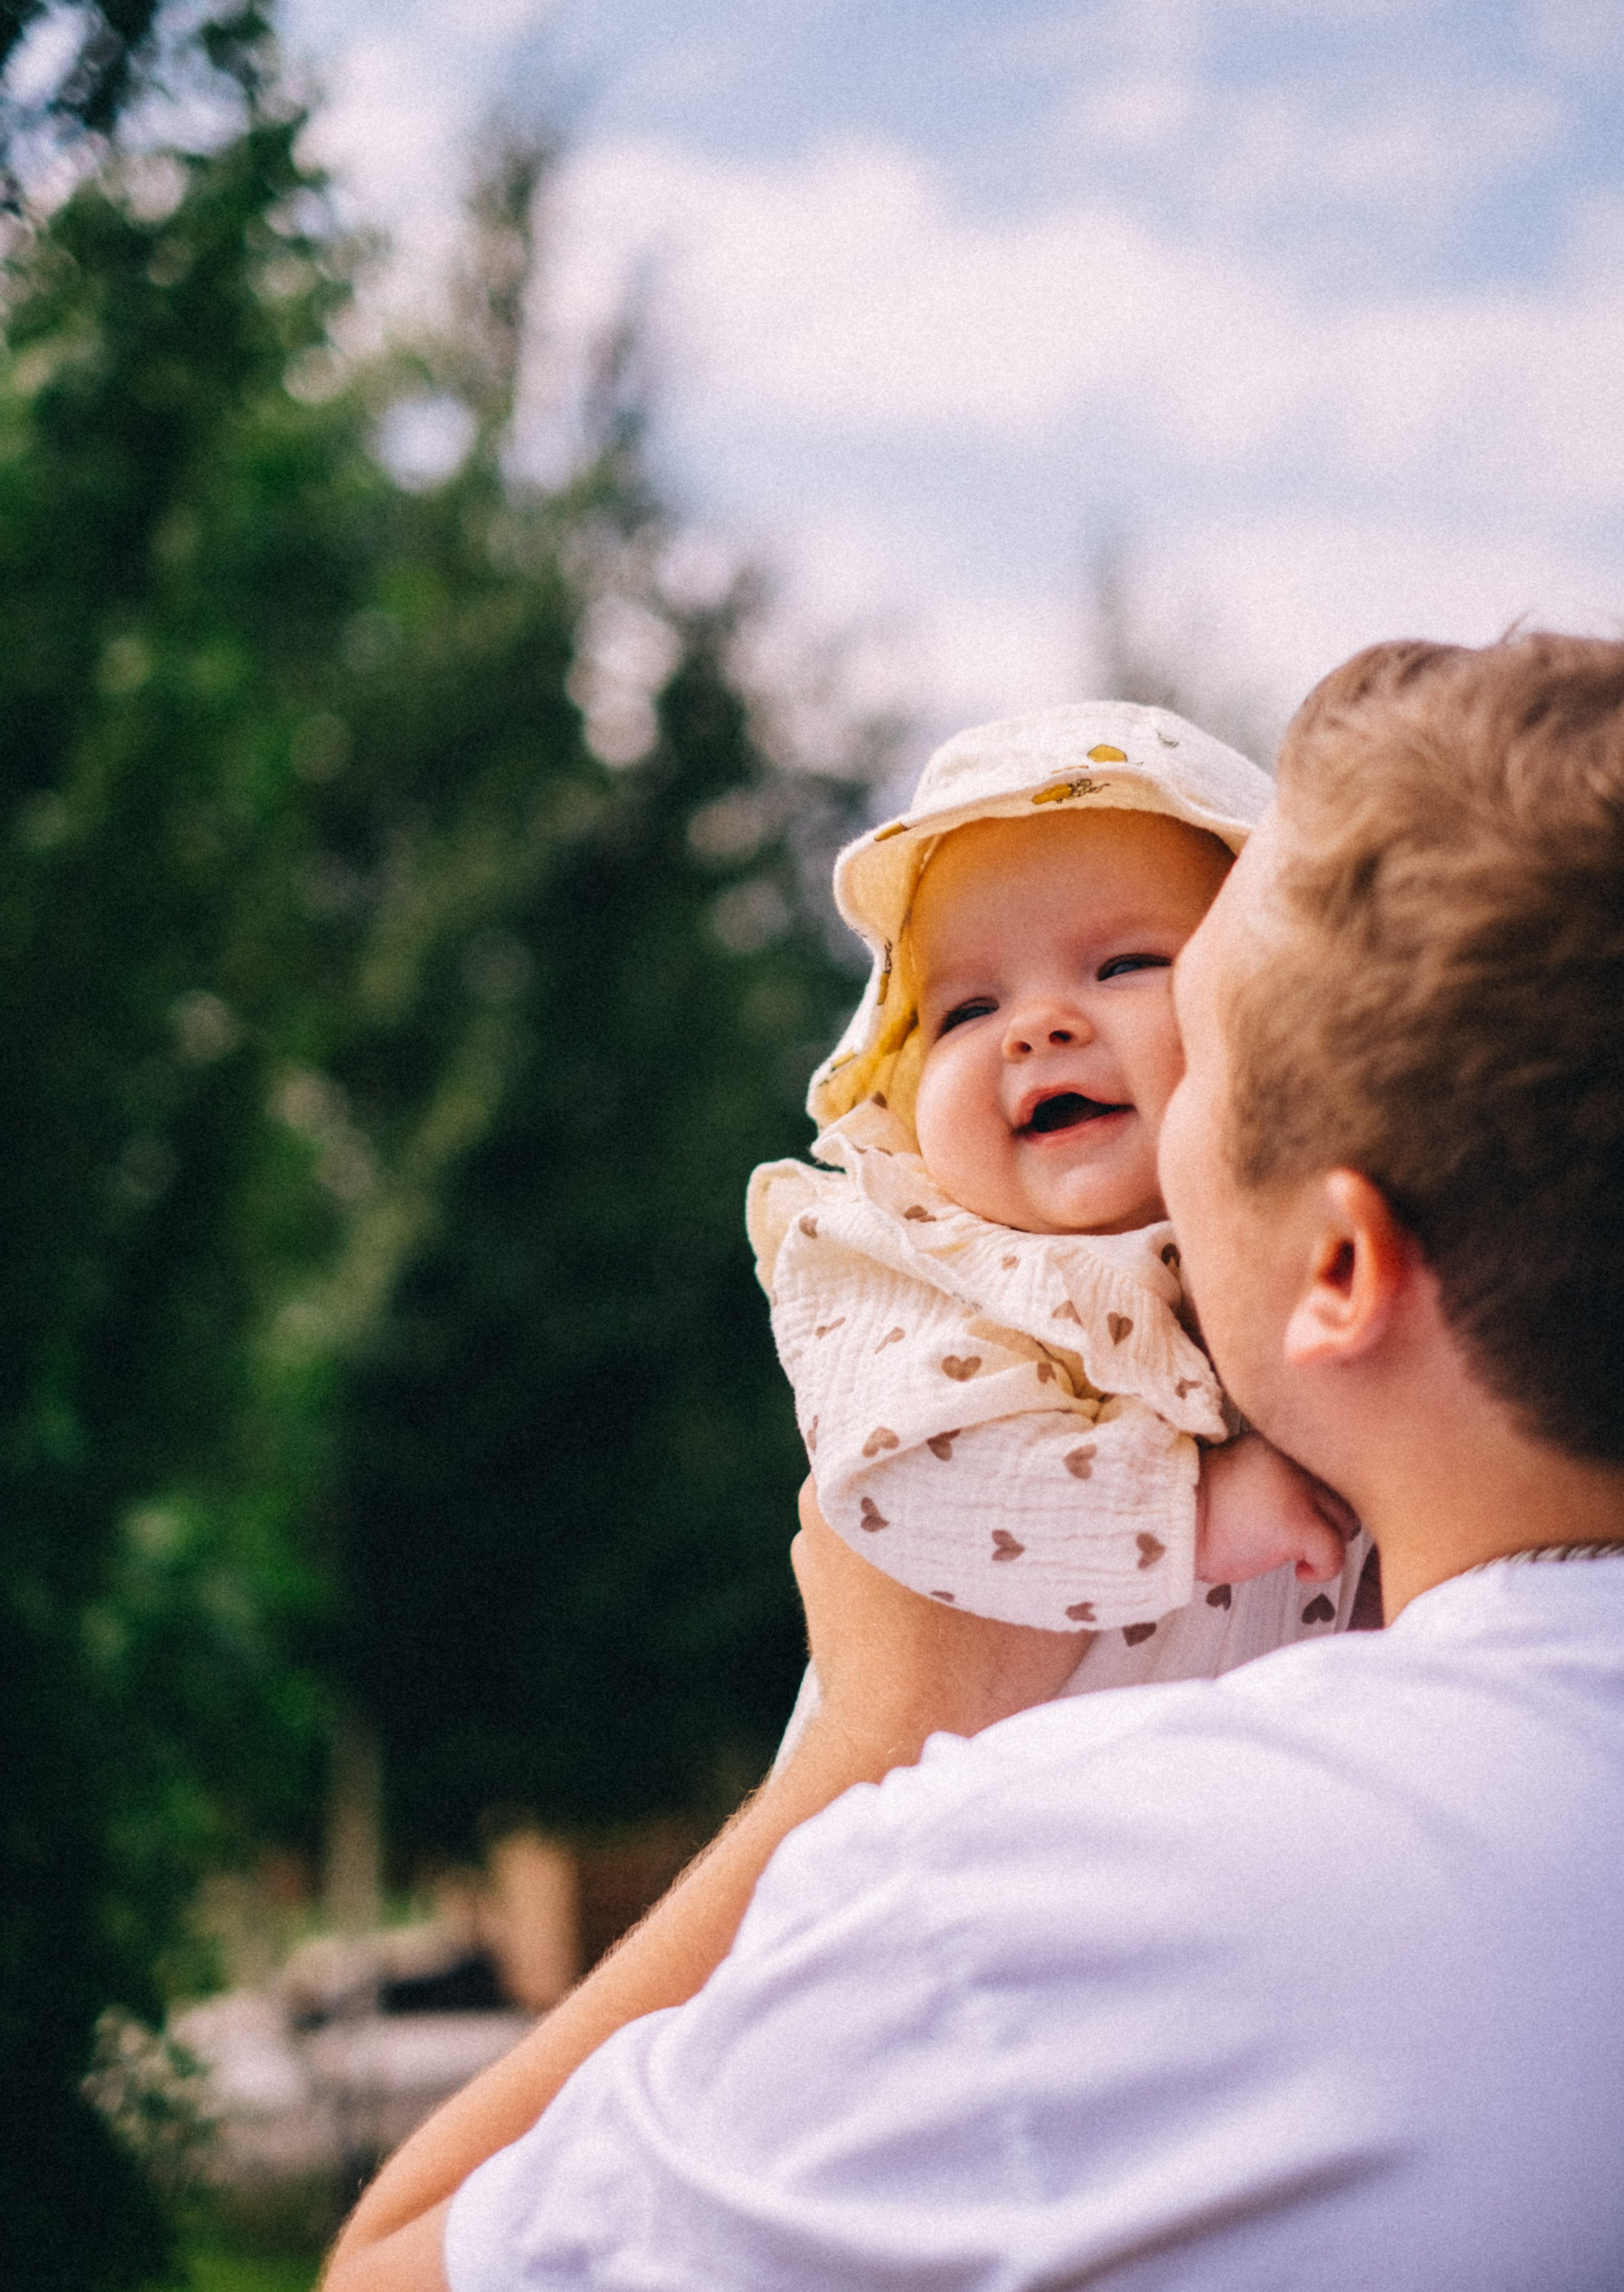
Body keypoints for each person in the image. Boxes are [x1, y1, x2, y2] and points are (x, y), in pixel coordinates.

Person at [325, 632, 1624, 2292]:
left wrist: (866, 1740)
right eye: (966, 1007)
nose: (1044, 1040)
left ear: (1342, 1268)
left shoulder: (1008, 1920)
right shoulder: (940, 1300)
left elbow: (389, 2270)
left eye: (1215, 1049)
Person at [749, 703, 1357, 1729]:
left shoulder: (1348, 1233)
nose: (1037, 1028)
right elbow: (904, 1477)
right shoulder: (918, 1262)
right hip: (964, 1821)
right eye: (966, 1011)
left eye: (1122, 965)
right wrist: (1196, 1512)